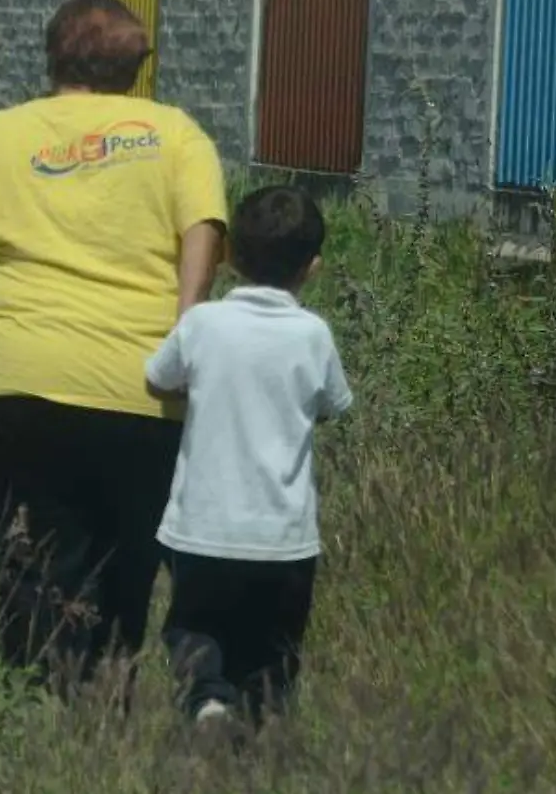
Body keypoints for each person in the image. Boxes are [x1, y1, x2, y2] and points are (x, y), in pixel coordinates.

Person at [0, 0, 228, 696]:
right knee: (126, 566)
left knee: (29, 560)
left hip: (13, 388)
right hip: (142, 387)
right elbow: (203, 228)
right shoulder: (176, 136)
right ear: (136, 66)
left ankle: (35, 711)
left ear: (53, 57)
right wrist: (186, 325)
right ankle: (102, 714)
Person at [143, 185, 354, 729]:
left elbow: (157, 378)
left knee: (194, 626)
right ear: (313, 268)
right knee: (272, 651)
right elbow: (335, 404)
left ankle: (208, 700)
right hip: (284, 540)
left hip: (202, 530)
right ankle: (264, 734)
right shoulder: (314, 335)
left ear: (229, 255)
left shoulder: (202, 325)